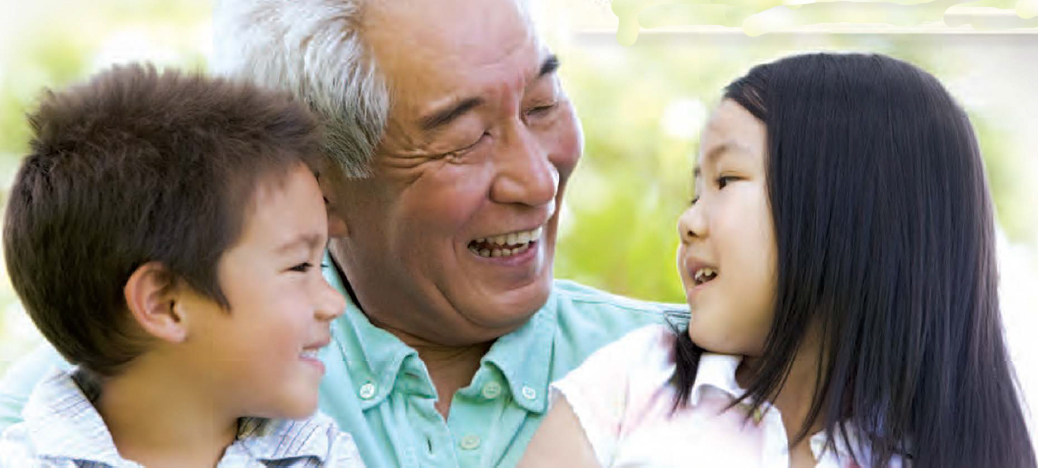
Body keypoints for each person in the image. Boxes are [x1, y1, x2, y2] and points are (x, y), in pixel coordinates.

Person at [0, 0, 676, 466]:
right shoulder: (116, 390)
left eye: (543, 105)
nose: (538, 181)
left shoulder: (701, 372)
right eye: (464, 140)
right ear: (316, 183)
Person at [520, 53, 1038, 467]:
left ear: (843, 210)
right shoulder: (635, 381)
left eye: (725, 181)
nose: (688, 222)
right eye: (694, 192)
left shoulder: (949, 447)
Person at [0, 64, 363, 467]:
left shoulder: (322, 455)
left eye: (321, 268)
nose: (332, 303)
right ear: (164, 303)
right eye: (299, 267)